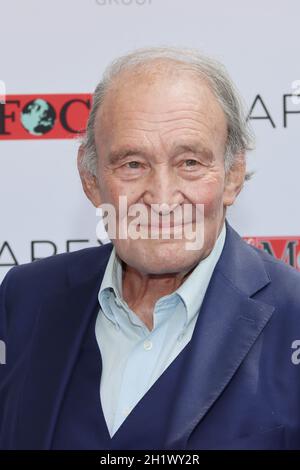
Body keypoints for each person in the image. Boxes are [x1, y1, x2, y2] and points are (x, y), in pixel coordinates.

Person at [0, 47, 299, 450]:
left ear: (233, 176)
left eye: (189, 162)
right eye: (132, 164)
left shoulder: (294, 314)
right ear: (90, 179)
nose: (161, 199)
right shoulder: (26, 298)